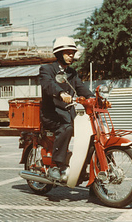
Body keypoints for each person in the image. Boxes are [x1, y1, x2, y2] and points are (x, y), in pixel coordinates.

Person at [39, 36, 94, 182]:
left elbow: (82, 88)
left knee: (91, 133)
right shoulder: (47, 69)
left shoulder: (72, 73)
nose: (71, 55)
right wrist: (60, 93)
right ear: (59, 53)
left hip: (67, 114)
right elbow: (48, 84)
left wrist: (95, 99)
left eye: (72, 52)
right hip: (51, 114)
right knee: (66, 128)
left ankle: (85, 169)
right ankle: (55, 166)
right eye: (67, 52)